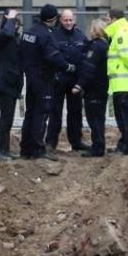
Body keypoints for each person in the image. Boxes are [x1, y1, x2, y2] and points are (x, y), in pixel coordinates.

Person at [19, 3, 74, 160]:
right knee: (41, 114)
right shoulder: (46, 35)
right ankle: (37, 150)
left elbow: (21, 53)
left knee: (30, 113)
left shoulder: (28, 33)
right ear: (53, 19)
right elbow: (53, 57)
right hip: (44, 79)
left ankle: (25, 149)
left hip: (30, 78)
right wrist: (68, 67)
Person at [45, 9, 89, 152]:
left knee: (75, 112)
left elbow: (86, 56)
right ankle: (51, 143)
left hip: (75, 80)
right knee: (55, 112)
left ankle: (76, 142)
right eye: (66, 20)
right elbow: (51, 57)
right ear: (60, 20)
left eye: (70, 20)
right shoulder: (54, 36)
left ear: (74, 20)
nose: (68, 23)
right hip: (58, 79)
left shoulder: (81, 36)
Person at [104, 7, 128, 155]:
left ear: (114, 19)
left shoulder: (121, 34)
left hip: (124, 84)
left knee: (125, 118)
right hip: (127, 83)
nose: (107, 23)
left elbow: (126, 55)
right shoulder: (127, 31)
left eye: (108, 19)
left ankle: (127, 146)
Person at [71, 19, 110, 157]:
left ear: (95, 31)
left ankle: (97, 148)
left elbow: (89, 68)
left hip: (94, 88)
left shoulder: (96, 47)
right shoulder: (105, 45)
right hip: (102, 86)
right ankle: (99, 145)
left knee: (94, 118)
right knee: (99, 118)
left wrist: (79, 85)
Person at [0, 8, 22, 162]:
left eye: (16, 24)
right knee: (5, 118)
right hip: (3, 82)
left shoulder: (14, 38)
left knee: (8, 119)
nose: (15, 26)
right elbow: (6, 32)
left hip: (13, 83)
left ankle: (5, 150)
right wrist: (10, 18)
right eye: (13, 22)